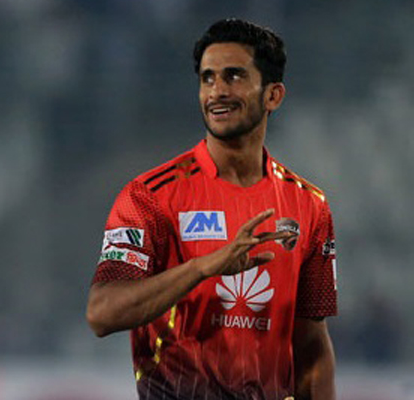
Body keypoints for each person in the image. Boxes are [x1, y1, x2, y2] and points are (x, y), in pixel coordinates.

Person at [86, 18, 338, 400]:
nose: (217, 91)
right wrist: (202, 268)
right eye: (208, 78)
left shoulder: (310, 206)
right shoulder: (149, 197)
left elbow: (312, 345)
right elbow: (102, 313)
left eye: (234, 76)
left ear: (273, 95)